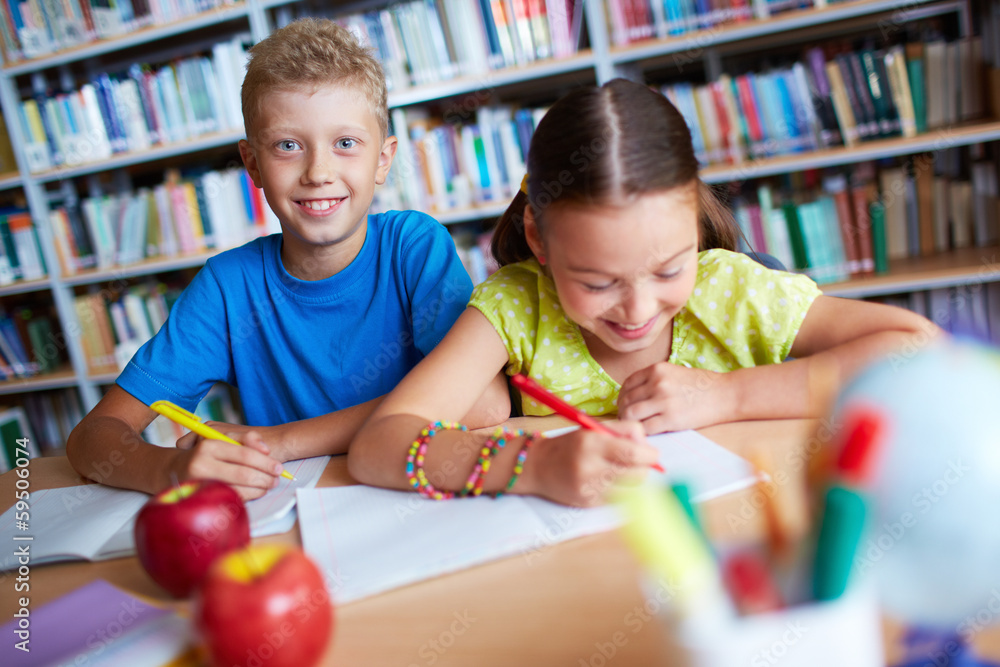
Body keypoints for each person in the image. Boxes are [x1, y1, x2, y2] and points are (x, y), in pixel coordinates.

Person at [347, 79, 938, 507]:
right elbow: (381, 442)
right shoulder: (514, 307)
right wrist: (531, 465)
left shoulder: (732, 289)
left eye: (668, 270)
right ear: (539, 239)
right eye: (598, 283)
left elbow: (918, 346)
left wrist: (727, 396)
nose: (637, 311)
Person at [67, 19, 508, 500]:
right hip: (296, 511)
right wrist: (172, 469)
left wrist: (280, 442)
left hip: (415, 495)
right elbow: (93, 438)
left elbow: (484, 404)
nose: (318, 172)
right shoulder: (228, 287)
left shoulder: (412, 246)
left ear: (383, 160)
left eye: (345, 144)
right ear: (252, 164)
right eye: (288, 146)